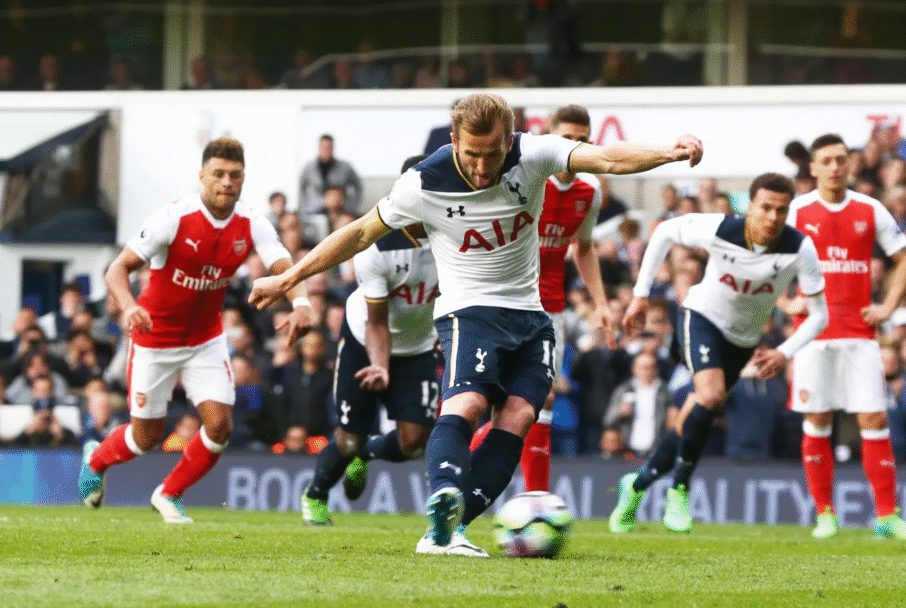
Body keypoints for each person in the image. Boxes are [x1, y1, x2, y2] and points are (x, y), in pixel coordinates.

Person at [249, 92, 703, 556]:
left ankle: (449, 528)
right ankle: (443, 491)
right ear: (453, 140)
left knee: (521, 416)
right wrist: (289, 277)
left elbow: (604, 156)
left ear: (509, 140)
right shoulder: (425, 180)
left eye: (493, 154)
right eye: (472, 154)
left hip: (532, 314)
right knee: (467, 403)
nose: (483, 168)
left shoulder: (533, 153)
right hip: (469, 311)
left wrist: (667, 151)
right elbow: (359, 232)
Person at [77, 138, 312, 523]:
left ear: (243, 179)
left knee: (220, 427)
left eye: (234, 175)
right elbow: (117, 270)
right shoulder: (172, 218)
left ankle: (168, 494)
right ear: (202, 176)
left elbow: (286, 269)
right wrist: (130, 305)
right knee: (146, 438)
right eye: (217, 174)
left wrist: (302, 304)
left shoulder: (252, 223)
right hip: (154, 340)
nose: (226, 182)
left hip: (205, 341)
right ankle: (97, 458)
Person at [608, 172, 828, 534]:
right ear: (751, 207)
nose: (773, 217)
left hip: (743, 341)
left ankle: (636, 485)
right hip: (702, 318)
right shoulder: (721, 229)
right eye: (766, 208)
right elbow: (663, 231)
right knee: (708, 396)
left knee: (695, 415)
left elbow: (819, 315)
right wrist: (641, 294)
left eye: (781, 210)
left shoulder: (799, 248)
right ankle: (679, 490)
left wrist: (785, 352)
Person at [783, 133, 906, 540]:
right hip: (813, 333)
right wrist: (784, 301)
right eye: (826, 160)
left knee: (875, 417)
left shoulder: (869, 208)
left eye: (840, 159)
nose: (834, 167)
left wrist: (888, 307)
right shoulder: (797, 211)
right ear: (812, 168)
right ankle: (825, 514)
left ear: (850, 164)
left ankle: (886, 516)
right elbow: (761, 257)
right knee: (818, 418)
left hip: (860, 331)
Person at [468, 104, 615, 492]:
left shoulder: (591, 190)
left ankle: (536, 497)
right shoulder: (526, 177)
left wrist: (600, 303)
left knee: (543, 398)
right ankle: (459, 460)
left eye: (582, 139)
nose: (574, 146)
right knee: (499, 403)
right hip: (503, 296)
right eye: (566, 138)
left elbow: (583, 248)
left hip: (550, 305)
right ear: (549, 139)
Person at [301, 155, 444, 527]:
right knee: (349, 439)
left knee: (414, 442)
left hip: (418, 346)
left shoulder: (459, 238)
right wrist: (379, 365)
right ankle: (315, 495)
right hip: (366, 338)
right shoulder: (378, 247)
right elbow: (377, 323)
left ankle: (368, 456)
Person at [298, 134, 363, 241]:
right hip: (317, 210)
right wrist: (305, 208)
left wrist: (352, 207)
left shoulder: (345, 167)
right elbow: (301, 190)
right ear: (318, 147)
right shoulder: (309, 167)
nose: (326, 150)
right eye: (323, 147)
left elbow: (358, 187)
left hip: (341, 210)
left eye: (329, 147)